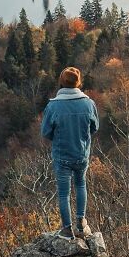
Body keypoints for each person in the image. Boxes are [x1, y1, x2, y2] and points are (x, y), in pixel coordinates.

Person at [41, 66, 99, 240]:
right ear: (78, 82)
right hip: (82, 154)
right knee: (81, 185)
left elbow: (46, 132)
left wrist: (58, 137)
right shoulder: (89, 103)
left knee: (64, 193)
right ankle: (81, 223)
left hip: (62, 155)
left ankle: (67, 230)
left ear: (61, 82)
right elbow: (94, 127)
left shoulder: (53, 106)